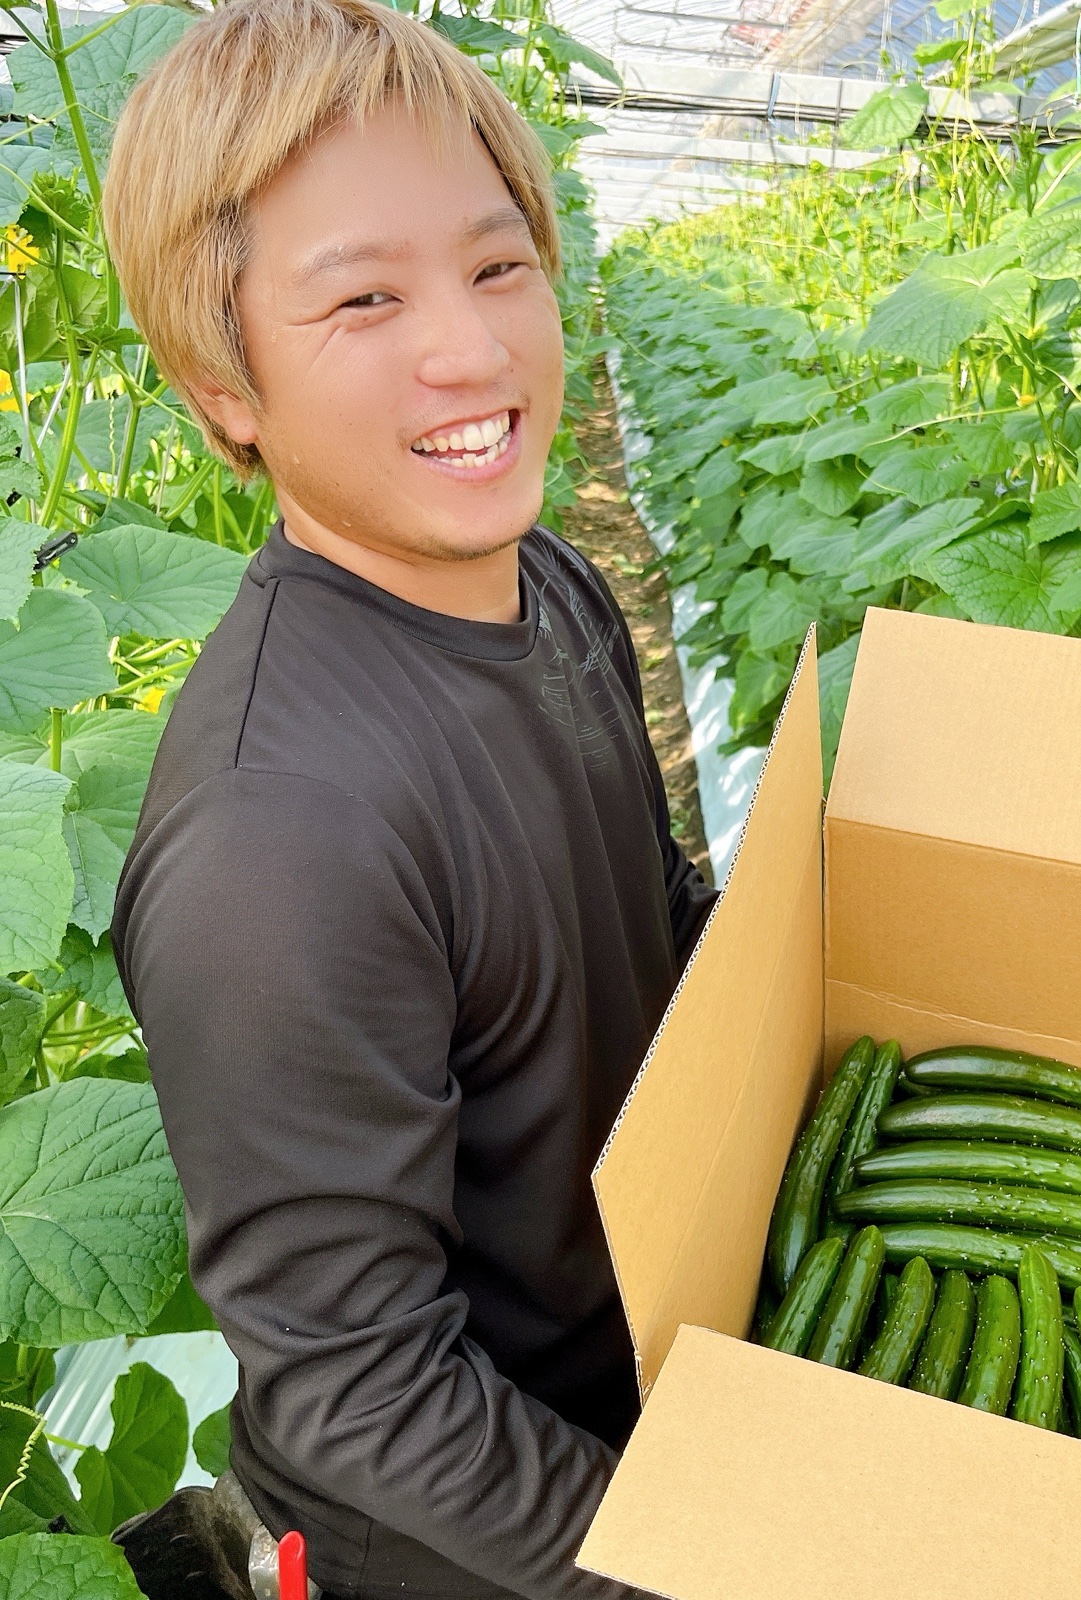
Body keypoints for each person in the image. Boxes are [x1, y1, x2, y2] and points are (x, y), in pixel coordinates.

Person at [104, 2, 716, 1595]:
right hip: (488, 1544)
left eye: (498, 265)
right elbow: (365, 1388)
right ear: (221, 384)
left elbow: (653, 917)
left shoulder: (554, 586)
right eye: (364, 297)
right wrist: (710, 1558)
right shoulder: (279, 835)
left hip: (663, 1386)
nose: (472, 347)